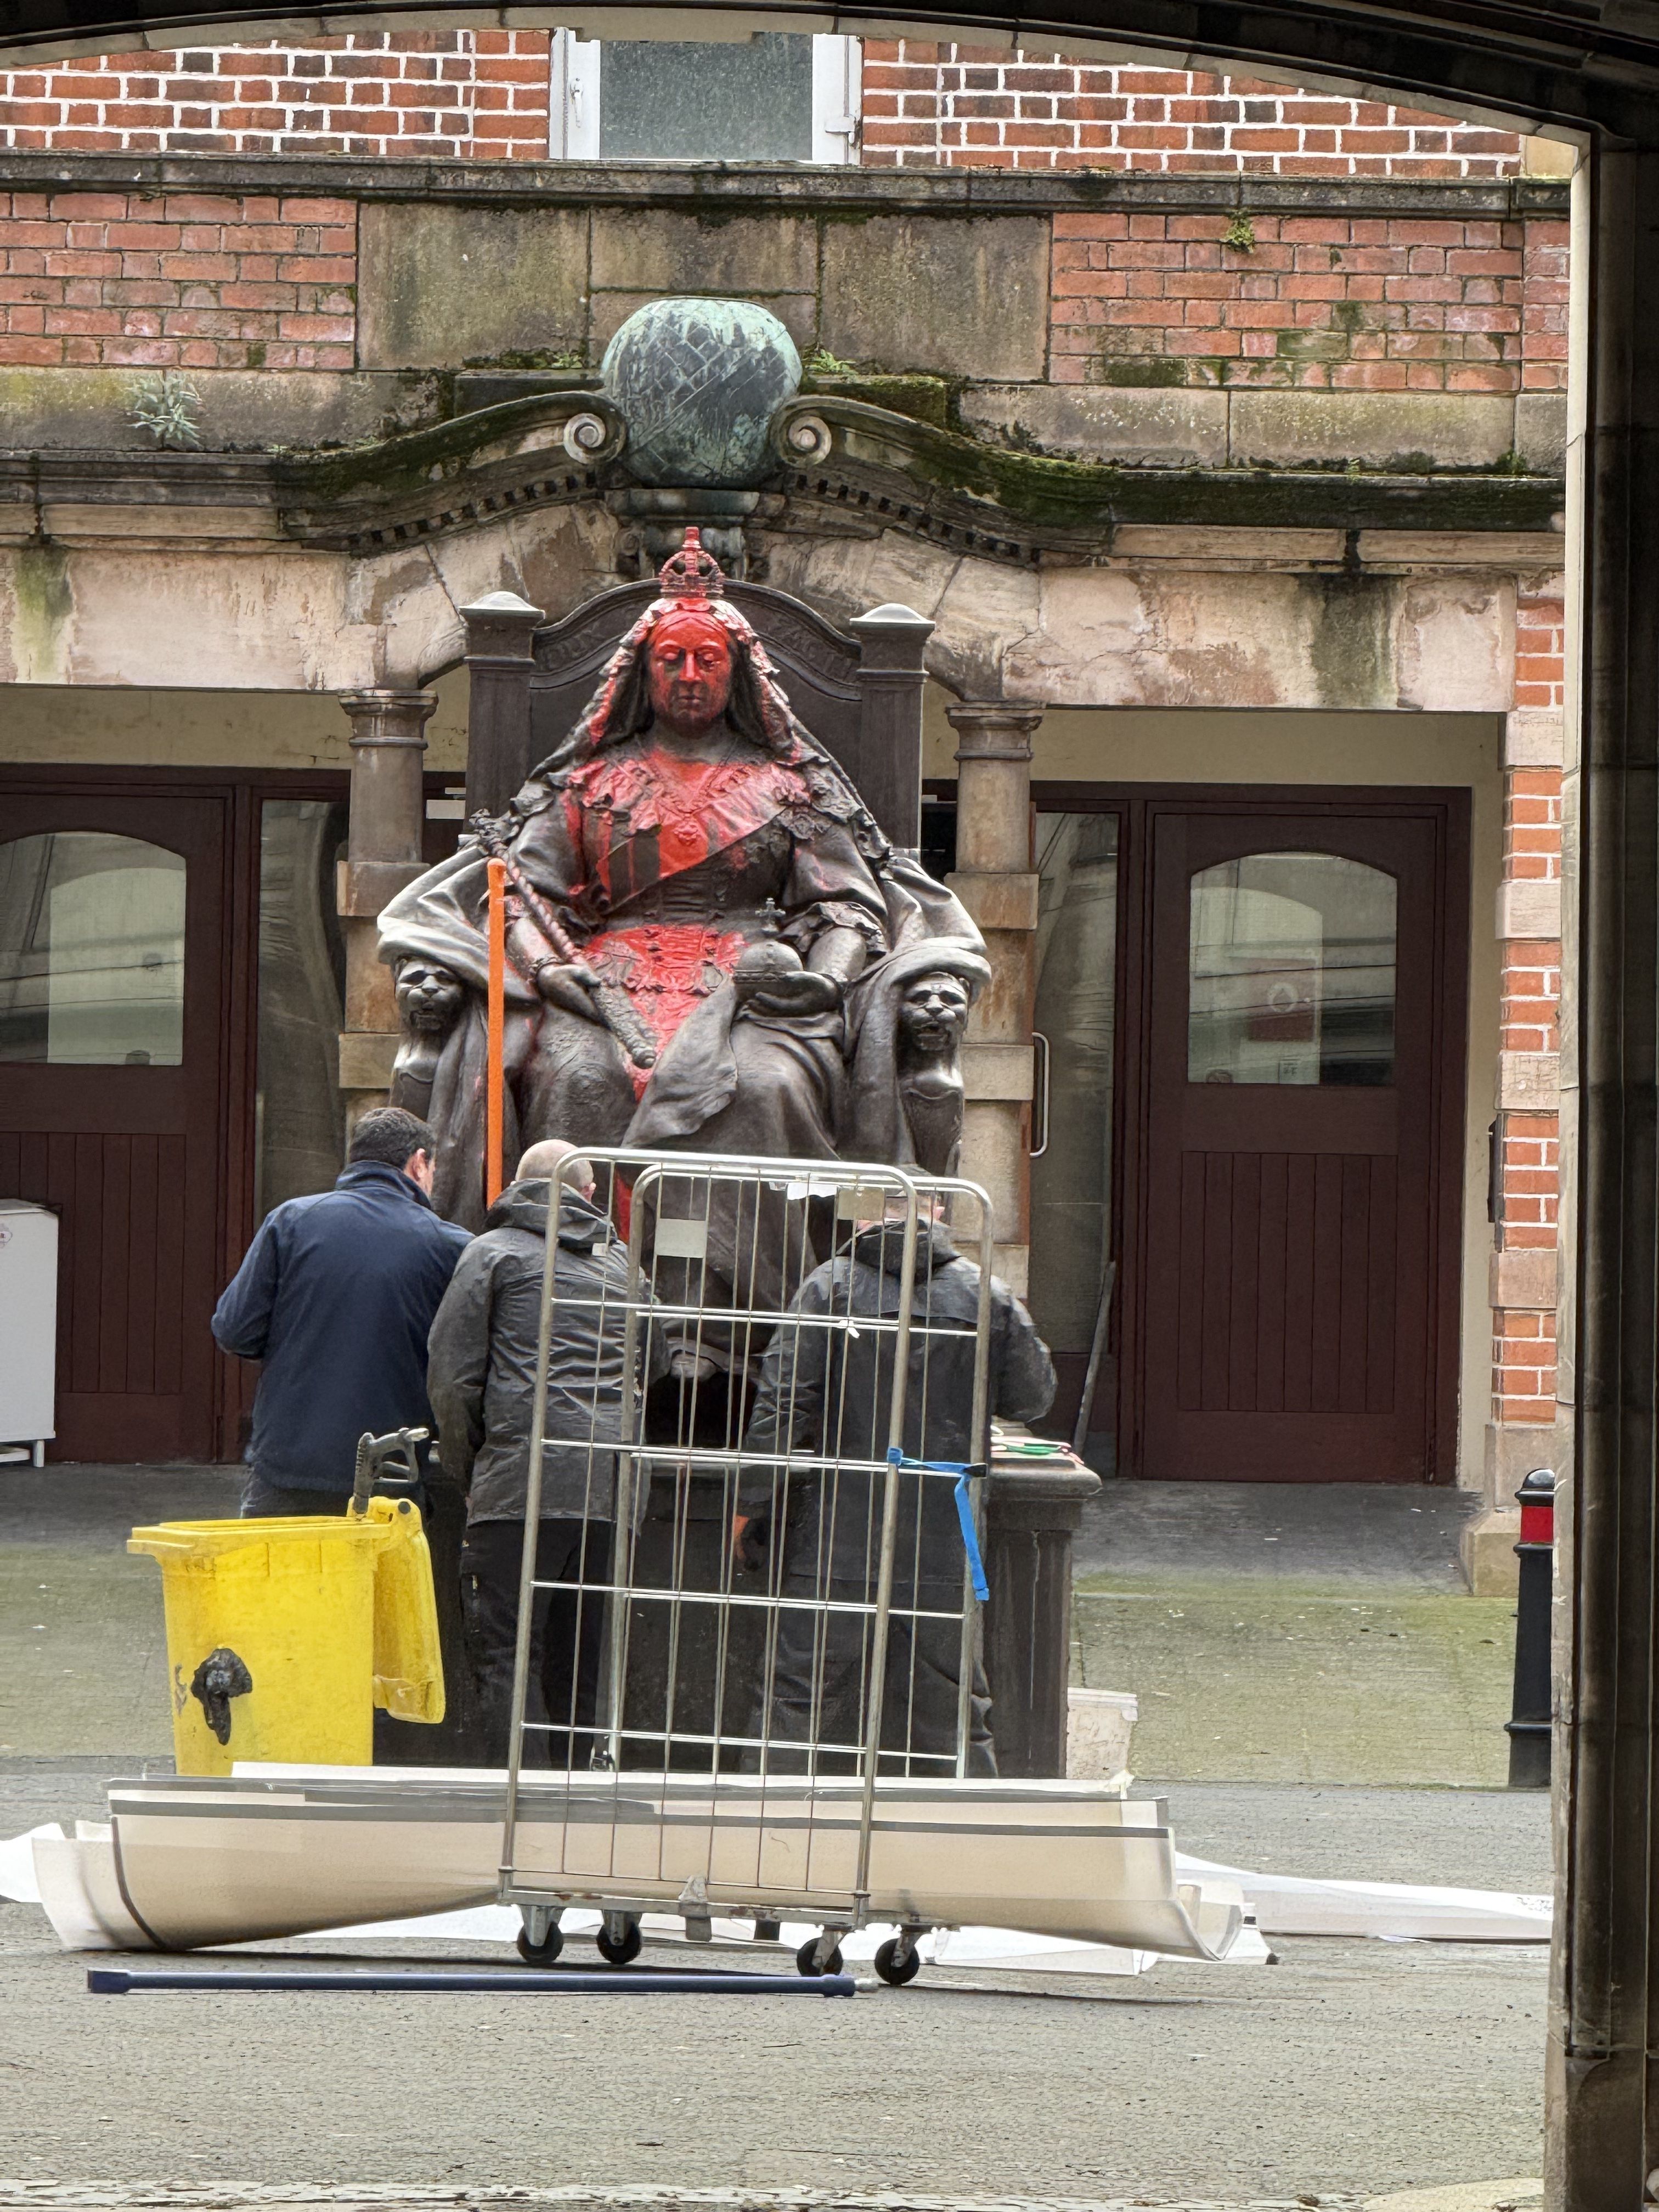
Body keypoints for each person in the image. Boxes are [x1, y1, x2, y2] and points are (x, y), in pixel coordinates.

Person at [379, 530, 988, 1260]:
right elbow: (522, 894)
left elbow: (844, 904)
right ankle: (578, 1293)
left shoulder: (789, 787)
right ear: (647, 672)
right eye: (674, 659)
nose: (691, 673)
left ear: (735, 674)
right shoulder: (589, 784)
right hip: (603, 980)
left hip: (755, 986)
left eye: (708, 659)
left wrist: (824, 976)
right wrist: (551, 971)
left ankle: (737, 1318)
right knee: (574, 1076)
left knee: (768, 1085)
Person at [737, 1205, 1056, 1776]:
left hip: (842, 1530)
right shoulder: (985, 1292)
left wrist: (752, 1504)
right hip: (944, 1531)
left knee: (796, 1696)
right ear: (939, 1220)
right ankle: (963, 1837)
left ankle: (766, 1833)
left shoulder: (828, 1287)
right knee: (954, 1708)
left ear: (862, 1221)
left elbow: (781, 1403)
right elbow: (1032, 1398)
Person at [427, 1138, 667, 1767]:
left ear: (519, 1186)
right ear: (589, 1195)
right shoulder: (624, 1268)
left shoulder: (491, 1255)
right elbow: (660, 1361)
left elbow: (452, 1380)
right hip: (610, 1488)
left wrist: (469, 1467)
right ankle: (574, 1799)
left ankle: (519, 1799)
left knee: (507, 1650)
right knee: (582, 1652)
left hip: (519, 1483)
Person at [212, 1105, 470, 1516]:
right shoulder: (450, 1246)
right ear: (419, 1163)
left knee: (281, 1580)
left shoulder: (291, 1222)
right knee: (378, 1582)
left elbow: (233, 1330)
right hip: (391, 1472)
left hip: (286, 1465)